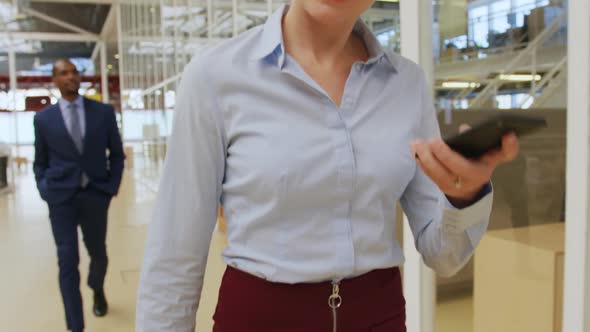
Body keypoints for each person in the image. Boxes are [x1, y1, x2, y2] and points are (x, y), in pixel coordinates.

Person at [136, 1, 519, 331]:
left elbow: (444, 255)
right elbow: (175, 250)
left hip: (378, 316)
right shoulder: (217, 76)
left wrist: (464, 195)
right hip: (259, 318)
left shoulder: (407, 84)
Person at [33, 59, 125, 332]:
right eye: (64, 73)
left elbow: (117, 155)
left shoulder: (103, 112)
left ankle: (97, 287)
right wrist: (44, 188)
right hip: (60, 198)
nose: (70, 76)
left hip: (95, 195)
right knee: (67, 260)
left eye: (74, 72)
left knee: (99, 254)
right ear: (55, 80)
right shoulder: (43, 119)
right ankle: (75, 326)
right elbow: (40, 161)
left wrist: (111, 188)